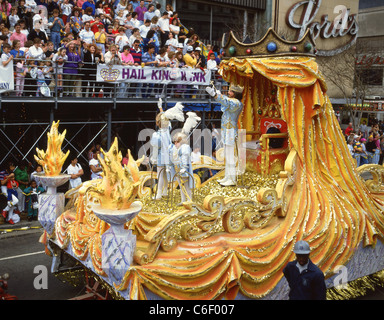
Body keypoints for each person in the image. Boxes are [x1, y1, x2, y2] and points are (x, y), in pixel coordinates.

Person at [206, 83, 244, 186]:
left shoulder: (237, 103)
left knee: (230, 156)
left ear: (235, 94)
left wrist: (215, 95)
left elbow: (225, 101)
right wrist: (216, 93)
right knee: (228, 156)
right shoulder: (233, 102)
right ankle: (228, 177)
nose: (228, 92)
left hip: (231, 131)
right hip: (227, 131)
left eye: (231, 91)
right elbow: (225, 101)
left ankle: (232, 179)